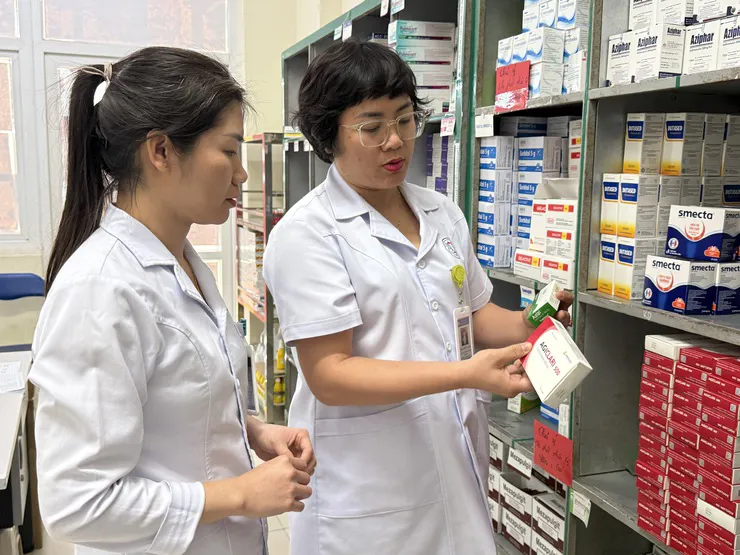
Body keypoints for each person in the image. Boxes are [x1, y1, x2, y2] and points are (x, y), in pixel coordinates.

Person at [263, 40, 574, 555]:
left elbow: (473, 314)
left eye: (405, 120)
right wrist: (465, 374)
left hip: (452, 461)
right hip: (369, 491)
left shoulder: (440, 211)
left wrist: (529, 323)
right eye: (372, 127)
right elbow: (330, 375)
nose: (395, 141)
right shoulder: (308, 233)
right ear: (328, 134)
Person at [30, 46, 316, 555]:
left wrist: (251, 431)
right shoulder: (100, 289)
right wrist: (239, 494)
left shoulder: (182, 261)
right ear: (160, 151)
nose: (241, 173)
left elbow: (171, 404)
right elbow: (76, 503)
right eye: (229, 151)